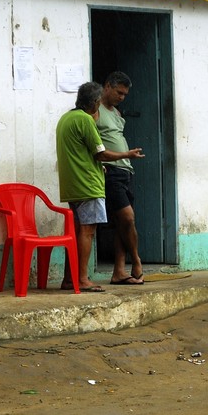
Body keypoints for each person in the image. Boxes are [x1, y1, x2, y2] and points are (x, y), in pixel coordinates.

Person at [56, 81, 144, 292]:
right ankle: (83, 279)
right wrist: (127, 154)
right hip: (88, 184)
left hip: (72, 184)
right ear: (96, 102)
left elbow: (81, 153)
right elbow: (101, 153)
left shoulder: (65, 118)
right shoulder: (85, 120)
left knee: (77, 232)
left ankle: (70, 279)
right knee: (87, 231)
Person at [96, 71, 145, 285]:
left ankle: (118, 271)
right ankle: (136, 260)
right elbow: (91, 141)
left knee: (121, 223)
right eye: (119, 92)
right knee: (127, 217)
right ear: (107, 86)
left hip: (125, 171)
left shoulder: (116, 112)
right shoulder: (94, 109)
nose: (122, 97)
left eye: (125, 94)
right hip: (110, 170)